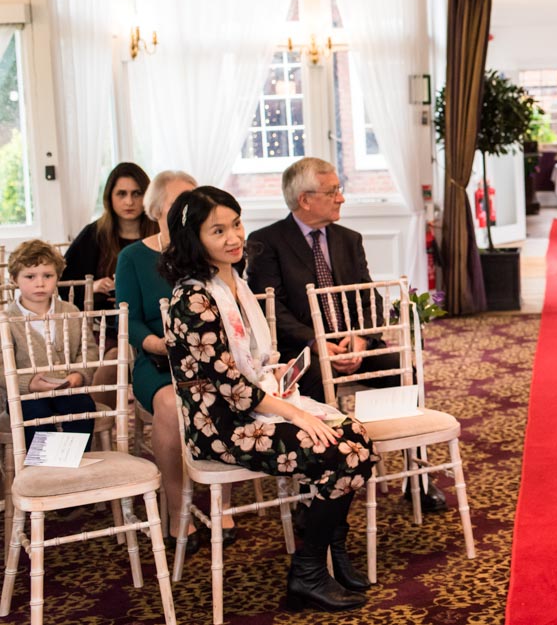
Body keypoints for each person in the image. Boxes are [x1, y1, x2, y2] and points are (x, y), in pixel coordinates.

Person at [161, 186, 377, 612]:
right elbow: (233, 390)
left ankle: (327, 553)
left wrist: (280, 377)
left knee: (357, 440)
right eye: (217, 231)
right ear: (193, 240)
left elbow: (252, 365)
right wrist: (294, 413)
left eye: (236, 224)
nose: (233, 237)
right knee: (347, 453)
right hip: (223, 428)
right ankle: (309, 571)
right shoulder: (194, 300)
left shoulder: (232, 281)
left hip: (254, 408)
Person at [245, 157, 447, 513]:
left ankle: (418, 478)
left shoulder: (348, 239)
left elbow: (367, 296)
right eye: (333, 191)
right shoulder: (266, 243)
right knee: (313, 391)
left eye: (339, 189)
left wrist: (361, 339)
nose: (341, 198)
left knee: (405, 369)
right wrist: (318, 342)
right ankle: (318, 492)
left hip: (352, 344)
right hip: (304, 352)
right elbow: (272, 311)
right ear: (305, 199)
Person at [116, 169, 221, 554]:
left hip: (207, 359)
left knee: (225, 394)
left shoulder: (204, 251)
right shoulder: (133, 257)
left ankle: (221, 503)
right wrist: (156, 343)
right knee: (170, 404)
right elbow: (127, 319)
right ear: (158, 208)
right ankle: (178, 511)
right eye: (181, 201)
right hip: (156, 362)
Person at [62, 162, 158, 408]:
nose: (129, 202)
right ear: (109, 197)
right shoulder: (93, 235)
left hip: (151, 325)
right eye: (121, 194)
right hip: (104, 328)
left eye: (136, 194)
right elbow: (62, 286)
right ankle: (96, 422)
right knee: (115, 358)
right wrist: (91, 288)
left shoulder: (159, 235)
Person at [3, 240, 96, 450]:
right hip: (26, 394)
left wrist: (79, 374)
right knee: (37, 414)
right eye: (30, 277)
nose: (40, 283)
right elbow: (1, 367)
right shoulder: (6, 320)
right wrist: (28, 383)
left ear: (57, 277)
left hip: (67, 387)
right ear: (14, 279)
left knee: (82, 407)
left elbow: (88, 350)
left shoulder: (70, 311)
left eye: (48, 276)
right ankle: (46, 469)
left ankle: (74, 460)